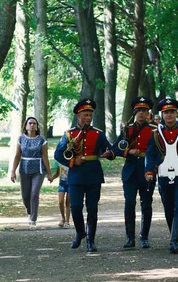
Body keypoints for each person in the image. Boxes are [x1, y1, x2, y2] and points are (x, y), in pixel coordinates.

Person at [54, 99, 114, 252]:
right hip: (76, 175)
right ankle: (80, 232)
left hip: (93, 174)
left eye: (90, 115)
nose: (88, 118)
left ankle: (90, 240)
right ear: (78, 116)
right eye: (85, 115)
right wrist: (73, 161)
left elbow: (110, 150)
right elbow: (58, 154)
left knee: (92, 208)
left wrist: (109, 154)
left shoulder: (98, 133)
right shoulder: (69, 134)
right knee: (75, 207)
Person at [145, 97, 178, 254]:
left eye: (171, 112)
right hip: (164, 174)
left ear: (176, 113)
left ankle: (173, 240)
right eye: (166, 112)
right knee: (168, 207)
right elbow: (150, 153)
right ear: (162, 114)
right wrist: (148, 171)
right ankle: (174, 237)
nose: (169, 115)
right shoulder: (156, 133)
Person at [112, 96, 157, 249]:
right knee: (129, 203)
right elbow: (115, 148)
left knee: (146, 204)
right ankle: (129, 238)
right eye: (138, 110)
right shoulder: (128, 130)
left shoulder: (154, 130)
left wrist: (154, 168)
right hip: (130, 172)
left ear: (148, 112)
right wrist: (128, 151)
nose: (141, 113)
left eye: (144, 110)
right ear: (135, 112)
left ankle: (144, 237)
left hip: (147, 171)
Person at [11, 116, 53, 229]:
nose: (32, 125)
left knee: (34, 194)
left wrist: (49, 173)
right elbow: (17, 155)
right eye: (30, 123)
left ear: (37, 126)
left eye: (34, 123)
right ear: (26, 125)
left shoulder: (41, 139)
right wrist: (13, 171)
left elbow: (45, 156)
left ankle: (33, 219)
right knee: (25, 195)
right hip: (24, 169)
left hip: (38, 170)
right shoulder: (21, 139)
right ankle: (30, 211)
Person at [52, 162, 71, 228]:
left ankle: (67, 222)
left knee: (68, 203)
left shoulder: (72, 159)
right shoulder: (59, 161)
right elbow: (57, 173)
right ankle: (63, 218)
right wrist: (52, 178)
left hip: (71, 183)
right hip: (62, 183)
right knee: (60, 201)